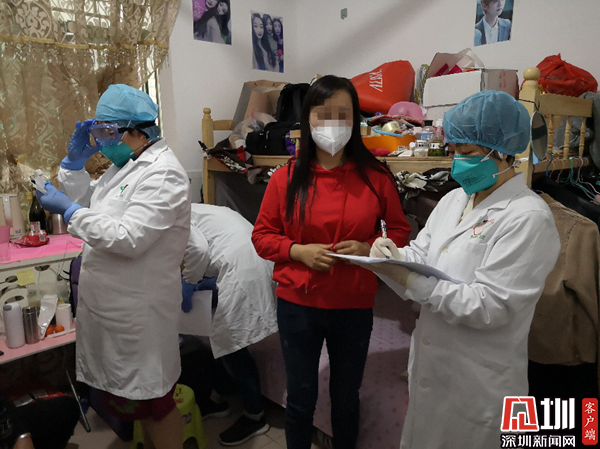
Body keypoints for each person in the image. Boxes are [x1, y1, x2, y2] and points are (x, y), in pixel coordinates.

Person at [361, 91, 560, 448]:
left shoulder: (528, 218)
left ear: (502, 152)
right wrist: (393, 256)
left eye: (466, 153)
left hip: (479, 383)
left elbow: (490, 306)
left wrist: (409, 279)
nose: (456, 162)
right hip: (432, 368)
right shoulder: (455, 199)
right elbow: (424, 254)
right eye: (453, 151)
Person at [251, 75, 411, 449]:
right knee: (300, 398)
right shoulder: (285, 178)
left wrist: (371, 247)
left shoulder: (376, 177)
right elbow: (262, 236)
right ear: (308, 119)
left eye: (343, 114)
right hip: (298, 305)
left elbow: (400, 232)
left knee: (346, 397)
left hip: (353, 304)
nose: (333, 124)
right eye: (323, 114)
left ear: (355, 120)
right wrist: (298, 251)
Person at [36, 84, 191, 449]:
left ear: (138, 131)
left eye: (109, 131)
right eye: (99, 130)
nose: (103, 141)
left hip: (140, 312)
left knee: (157, 404)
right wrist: (73, 166)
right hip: (116, 307)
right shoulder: (127, 167)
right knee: (141, 403)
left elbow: (127, 237)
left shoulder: (163, 173)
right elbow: (93, 204)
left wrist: (70, 211)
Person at [181, 203, 278, 446]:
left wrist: (188, 282)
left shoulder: (172, 216)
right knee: (222, 338)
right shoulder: (197, 209)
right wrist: (195, 283)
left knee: (232, 345)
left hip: (242, 270)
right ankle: (220, 396)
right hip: (257, 262)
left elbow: (198, 249)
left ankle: (255, 417)